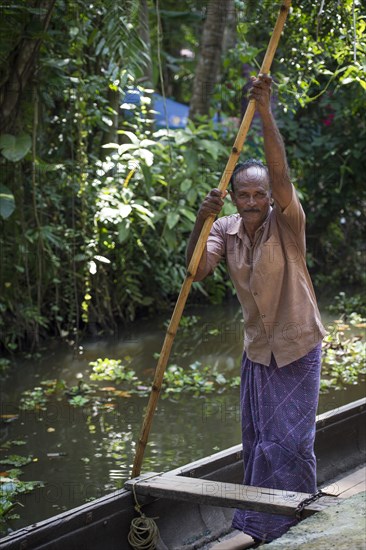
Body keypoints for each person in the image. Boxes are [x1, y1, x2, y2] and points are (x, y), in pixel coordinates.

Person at [186, 74, 326, 544]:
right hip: (258, 352)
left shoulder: (287, 221)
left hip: (296, 346)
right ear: (234, 198)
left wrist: (265, 110)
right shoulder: (225, 227)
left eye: (258, 195)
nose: (250, 203)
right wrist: (200, 221)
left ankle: (297, 518)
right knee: (260, 441)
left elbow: (279, 170)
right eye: (242, 195)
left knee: (290, 442)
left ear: (270, 199)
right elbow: (197, 271)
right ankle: (262, 523)